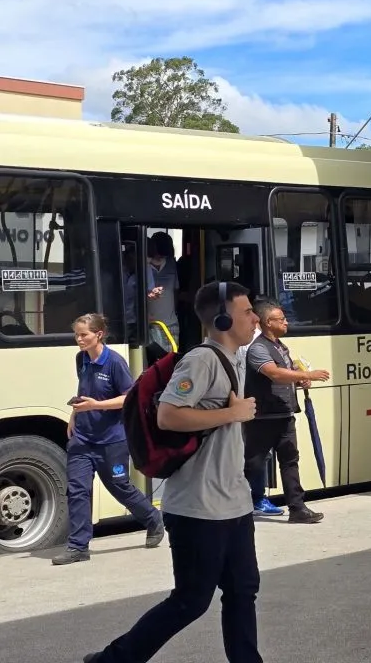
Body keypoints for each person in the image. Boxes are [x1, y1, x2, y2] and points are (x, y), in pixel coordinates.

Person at [85, 281, 262, 663]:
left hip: (233, 502)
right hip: (198, 507)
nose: (254, 318)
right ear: (222, 317)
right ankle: (112, 660)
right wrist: (233, 412)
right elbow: (168, 415)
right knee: (190, 601)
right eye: (247, 311)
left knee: (243, 590)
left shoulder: (236, 357)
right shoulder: (201, 360)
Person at [54, 313, 164, 566]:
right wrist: (75, 414)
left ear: (99, 334)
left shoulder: (115, 363)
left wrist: (97, 405)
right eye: (77, 335)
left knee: (119, 486)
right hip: (82, 438)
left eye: (84, 335)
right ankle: (78, 546)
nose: (79, 340)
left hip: (112, 440)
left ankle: (153, 519)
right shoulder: (81, 358)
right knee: (78, 490)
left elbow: (129, 398)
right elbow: (84, 391)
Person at [242, 299, 330, 524]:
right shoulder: (258, 348)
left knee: (290, 461)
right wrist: (307, 375)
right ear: (268, 323)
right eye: (281, 319)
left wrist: (300, 381)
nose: (286, 322)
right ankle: (245, 504)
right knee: (255, 462)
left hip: (284, 414)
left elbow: (286, 375)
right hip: (262, 416)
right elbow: (275, 374)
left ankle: (298, 508)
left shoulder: (281, 346)